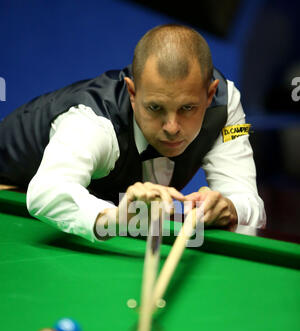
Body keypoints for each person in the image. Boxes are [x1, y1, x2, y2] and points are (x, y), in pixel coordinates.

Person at [0, 24, 266, 243]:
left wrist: (230, 207)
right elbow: (46, 191)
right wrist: (118, 219)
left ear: (209, 95)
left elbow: (250, 203)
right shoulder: (92, 122)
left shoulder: (226, 106)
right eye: (155, 107)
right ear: (132, 92)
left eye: (187, 108)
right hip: (9, 193)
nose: (172, 127)